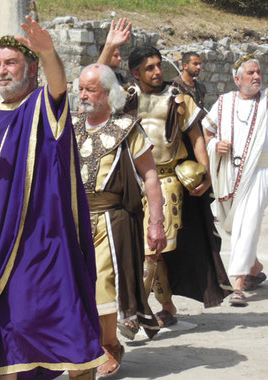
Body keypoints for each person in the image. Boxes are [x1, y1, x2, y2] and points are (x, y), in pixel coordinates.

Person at [0, 17, 105, 380]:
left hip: (42, 240)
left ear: (31, 69)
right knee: (6, 334)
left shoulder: (41, 103)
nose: (2, 71)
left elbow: (58, 86)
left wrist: (48, 52)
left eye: (11, 63)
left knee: (65, 325)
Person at [100, 22, 230, 327]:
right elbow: (98, 77)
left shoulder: (179, 98)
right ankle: (167, 304)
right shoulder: (125, 98)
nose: (158, 72)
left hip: (168, 181)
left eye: (159, 65)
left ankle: (134, 314)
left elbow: (196, 137)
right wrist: (108, 47)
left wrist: (206, 176)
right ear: (136, 73)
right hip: (133, 182)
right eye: (150, 68)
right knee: (140, 249)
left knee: (153, 251)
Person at [75, 63, 166, 377]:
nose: (84, 95)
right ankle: (84, 346)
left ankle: (109, 344)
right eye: (81, 89)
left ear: (109, 94)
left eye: (91, 89)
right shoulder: (70, 126)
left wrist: (156, 222)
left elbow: (150, 176)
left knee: (103, 285)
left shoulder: (126, 128)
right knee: (75, 287)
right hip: (73, 221)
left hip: (111, 222)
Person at [205, 55, 267, 306]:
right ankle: (254, 268)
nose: (256, 77)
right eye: (251, 73)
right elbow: (207, 130)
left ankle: (237, 284)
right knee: (235, 226)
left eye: (259, 72)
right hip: (228, 173)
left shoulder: (266, 103)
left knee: (248, 221)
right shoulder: (224, 102)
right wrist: (214, 144)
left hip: (260, 172)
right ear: (237, 79)